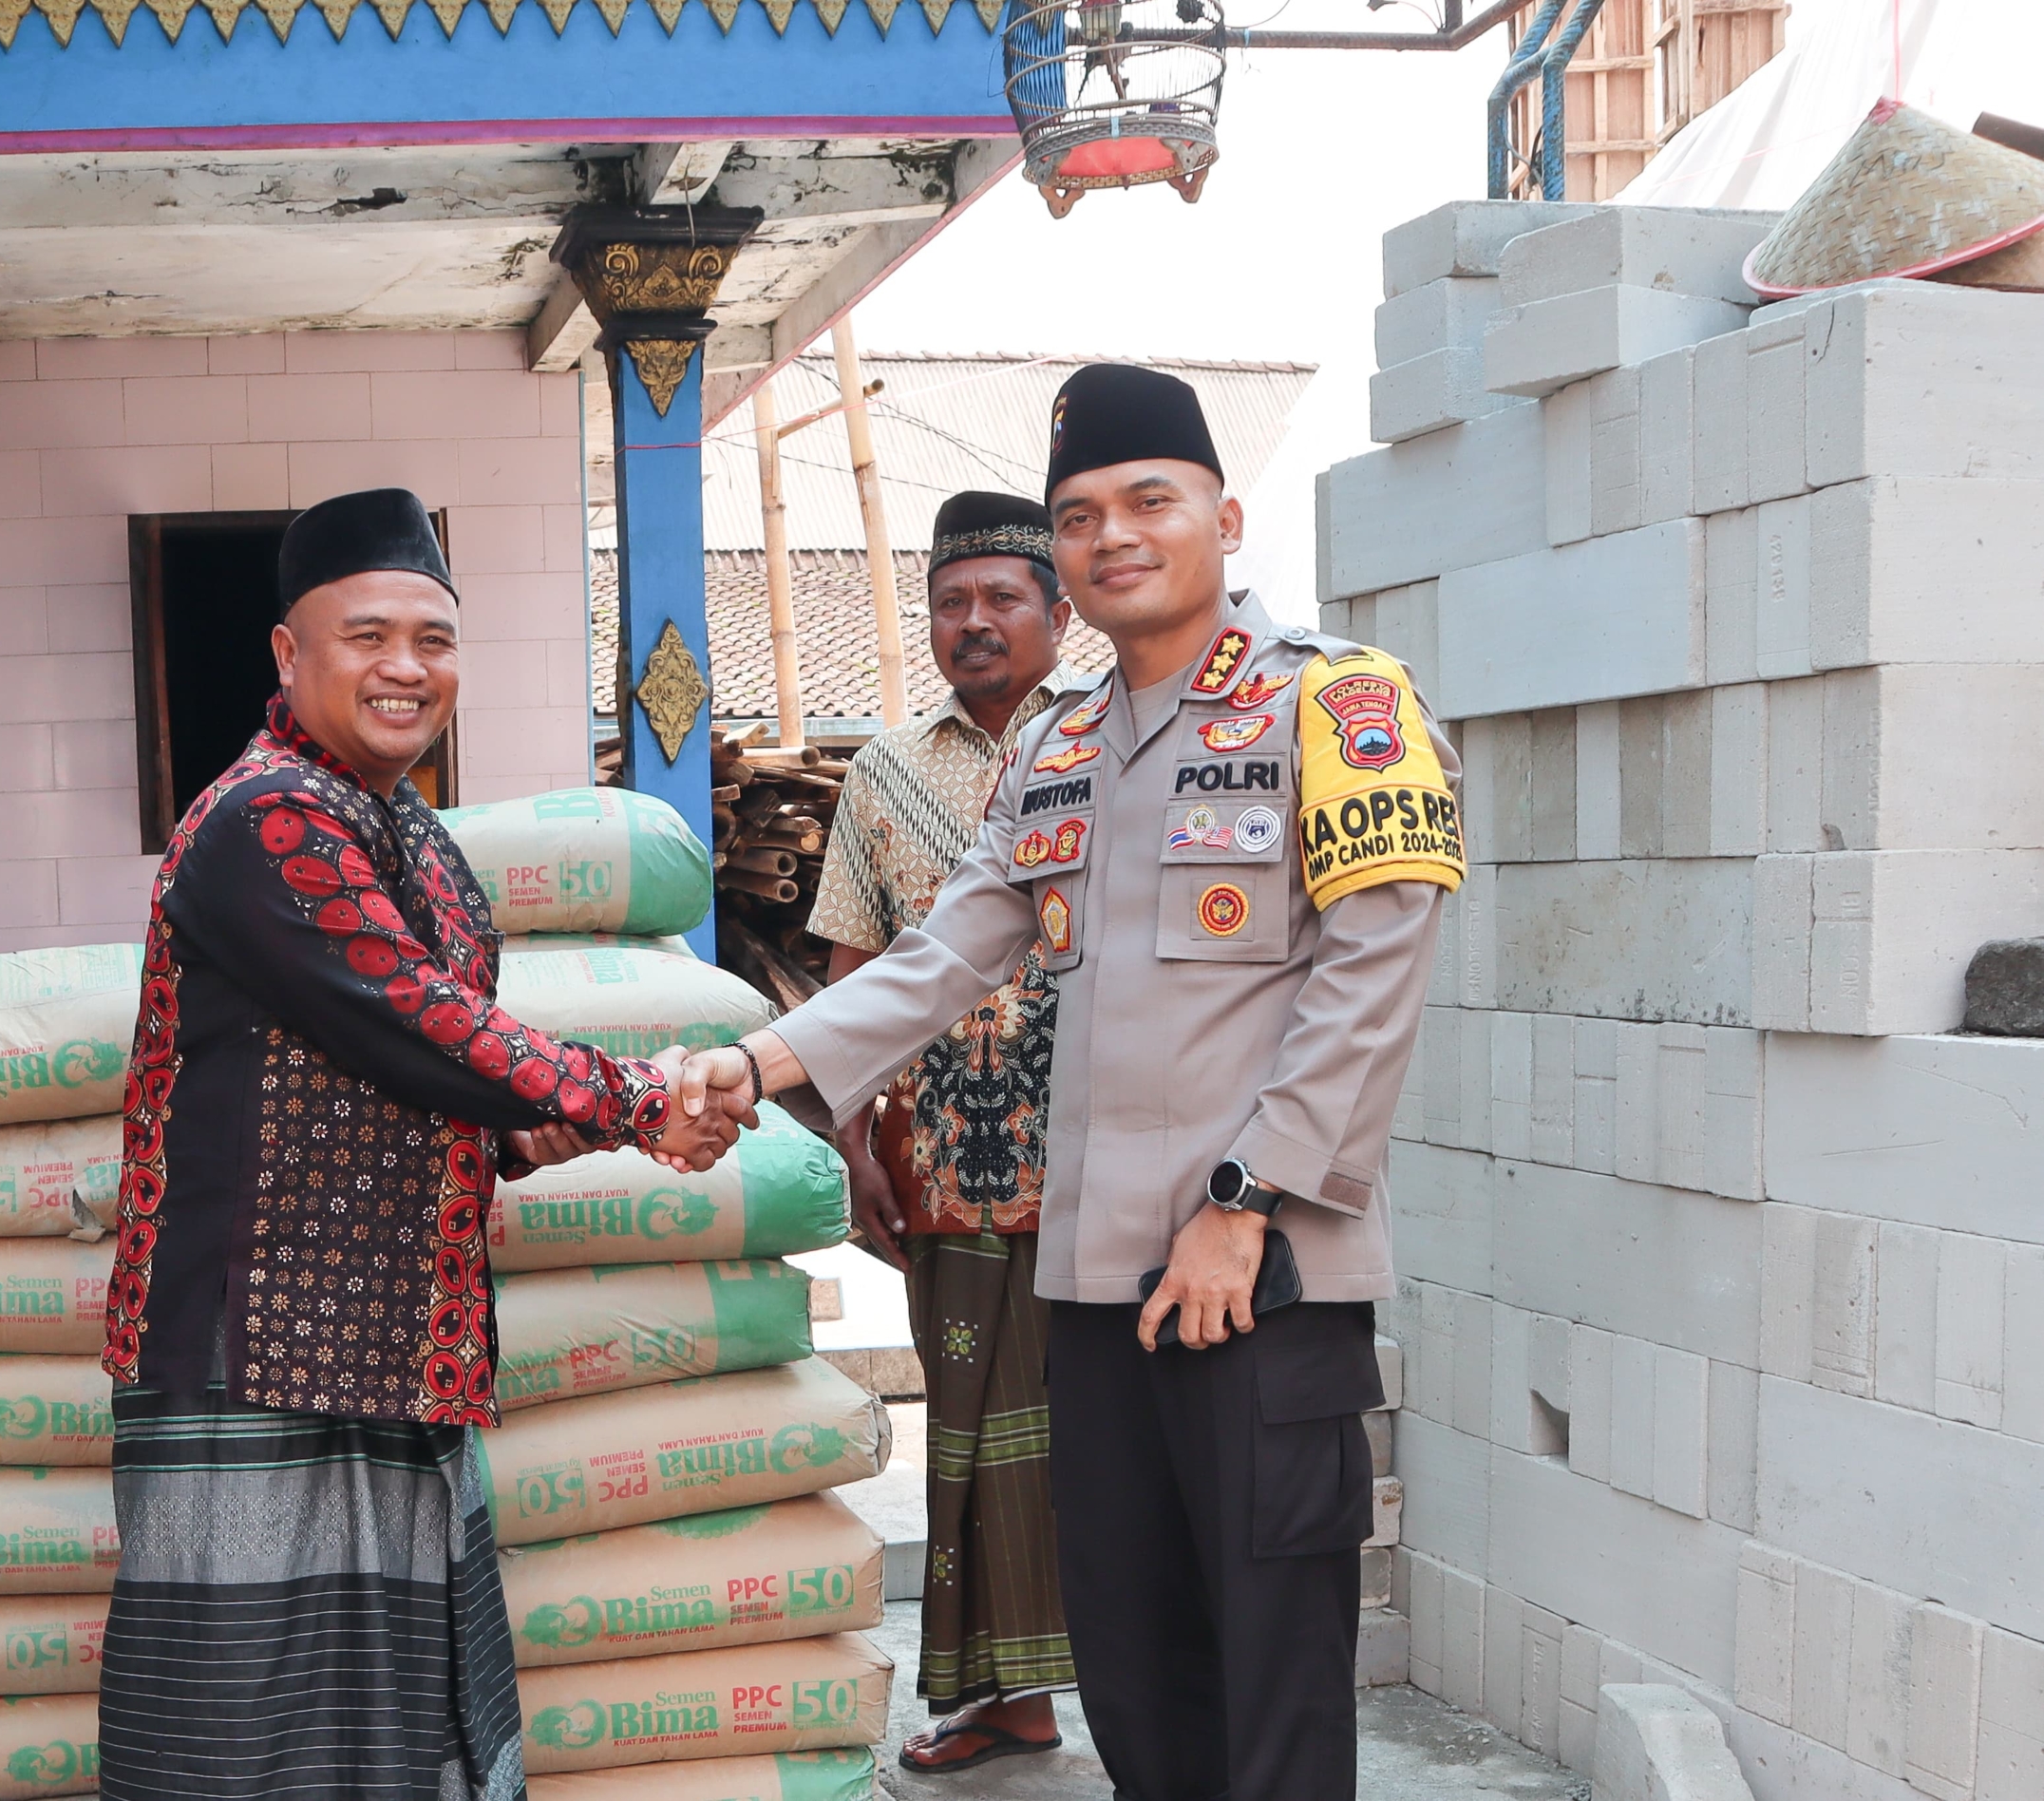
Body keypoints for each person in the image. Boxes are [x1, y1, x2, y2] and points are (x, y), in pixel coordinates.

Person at [677, 366, 1465, 1801]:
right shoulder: (1060, 745)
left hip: (1259, 1277)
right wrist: (755, 1064)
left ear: (1224, 518)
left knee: (1272, 1678)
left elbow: (1374, 974)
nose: (1113, 536)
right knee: (1133, 1668)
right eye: (1081, 515)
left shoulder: (1337, 703)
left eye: (1148, 502)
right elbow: (942, 956)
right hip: (1095, 1290)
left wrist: (1249, 1200)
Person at [96, 488, 743, 1801]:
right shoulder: (266, 818)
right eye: (369, 636)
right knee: (249, 1728)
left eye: (434, 639)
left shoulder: (418, 837)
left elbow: (421, 1072)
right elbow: (412, 1016)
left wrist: (531, 1132)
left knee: (393, 1720)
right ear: (290, 655)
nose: (407, 667)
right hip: (252, 1343)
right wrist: (634, 1098)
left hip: (391, 1332)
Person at [806, 490, 1089, 1774]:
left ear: (1057, 612)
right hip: (944, 1169)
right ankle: (1007, 1701)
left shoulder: (1109, 738)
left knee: (1106, 1436)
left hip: (1104, 1163)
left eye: (1001, 598)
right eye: (951, 601)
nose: (975, 621)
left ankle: (1150, 1692)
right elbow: (853, 975)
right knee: (970, 1434)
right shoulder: (882, 772)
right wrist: (852, 1143)